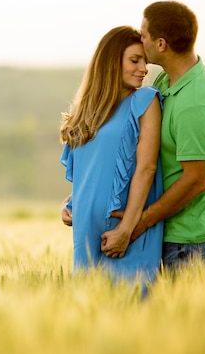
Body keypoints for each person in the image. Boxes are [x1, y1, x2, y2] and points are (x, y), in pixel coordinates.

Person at [66, 1, 205, 272]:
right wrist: (77, 199)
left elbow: (195, 181)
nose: (140, 39)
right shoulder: (165, 82)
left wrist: (137, 223)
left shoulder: (195, 103)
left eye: (144, 35)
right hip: (170, 232)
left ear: (161, 44)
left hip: (194, 239)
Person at [59, 25, 164, 286]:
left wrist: (126, 230)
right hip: (86, 236)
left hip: (125, 235)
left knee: (133, 308)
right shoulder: (85, 111)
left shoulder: (145, 101)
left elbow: (146, 169)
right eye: (134, 60)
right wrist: (71, 203)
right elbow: (92, 170)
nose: (143, 69)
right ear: (110, 62)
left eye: (145, 61)